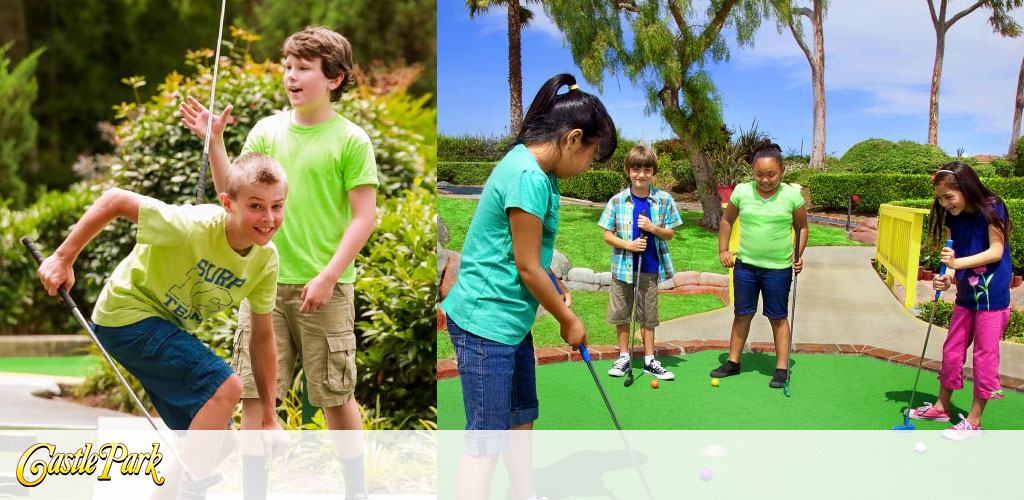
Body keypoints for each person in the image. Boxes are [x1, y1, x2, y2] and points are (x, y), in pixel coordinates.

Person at [180, 26, 377, 500]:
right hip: (261, 287)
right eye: (288, 66)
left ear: (334, 78)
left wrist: (329, 276)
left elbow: (364, 217)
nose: (291, 76)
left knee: (335, 396)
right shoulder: (266, 130)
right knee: (253, 393)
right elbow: (236, 193)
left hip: (324, 290)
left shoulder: (351, 140)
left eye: (303, 68)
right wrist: (215, 141)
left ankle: (358, 492)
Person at [36, 153, 287, 498]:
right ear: (228, 203)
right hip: (126, 315)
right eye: (256, 206)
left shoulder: (266, 260)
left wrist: (270, 418)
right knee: (226, 387)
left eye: (277, 206)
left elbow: (262, 339)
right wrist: (63, 257)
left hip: (160, 326)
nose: (268, 218)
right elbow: (115, 200)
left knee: (223, 443)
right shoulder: (190, 226)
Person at [441, 73, 616, 500]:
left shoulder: (541, 171)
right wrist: (568, 318)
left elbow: (530, 253)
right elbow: (524, 267)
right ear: (573, 139)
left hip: (510, 322)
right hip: (486, 322)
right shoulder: (527, 175)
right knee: (486, 440)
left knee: (521, 418)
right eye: (593, 156)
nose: (589, 167)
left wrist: (554, 281)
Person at [908, 162, 1012, 440]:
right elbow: (953, 258)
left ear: (965, 188)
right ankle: (942, 407)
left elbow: (995, 251)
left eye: (949, 197)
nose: (944, 204)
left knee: (984, 357)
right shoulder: (954, 217)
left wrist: (958, 263)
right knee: (952, 350)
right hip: (967, 296)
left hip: (993, 299)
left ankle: (974, 421)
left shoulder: (992, 208)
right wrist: (949, 277)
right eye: (940, 199)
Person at [711, 141, 808, 389]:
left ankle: (781, 368)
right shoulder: (742, 192)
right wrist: (723, 249)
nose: (765, 180)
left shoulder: (792, 196)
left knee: (777, 317)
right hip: (746, 266)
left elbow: (802, 227)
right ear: (752, 172)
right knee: (742, 313)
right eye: (759, 174)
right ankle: (733, 362)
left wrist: (798, 255)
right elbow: (726, 221)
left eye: (771, 174)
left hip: (778, 268)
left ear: (782, 171)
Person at [599, 144, 682, 381]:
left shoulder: (663, 200)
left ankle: (649, 360)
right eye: (636, 169)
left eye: (647, 169)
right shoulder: (617, 201)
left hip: (649, 267)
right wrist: (629, 245)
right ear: (628, 170)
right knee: (622, 313)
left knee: (648, 316)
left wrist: (653, 228)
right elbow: (607, 234)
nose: (641, 174)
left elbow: (670, 234)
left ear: (653, 172)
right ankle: (624, 357)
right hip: (622, 268)